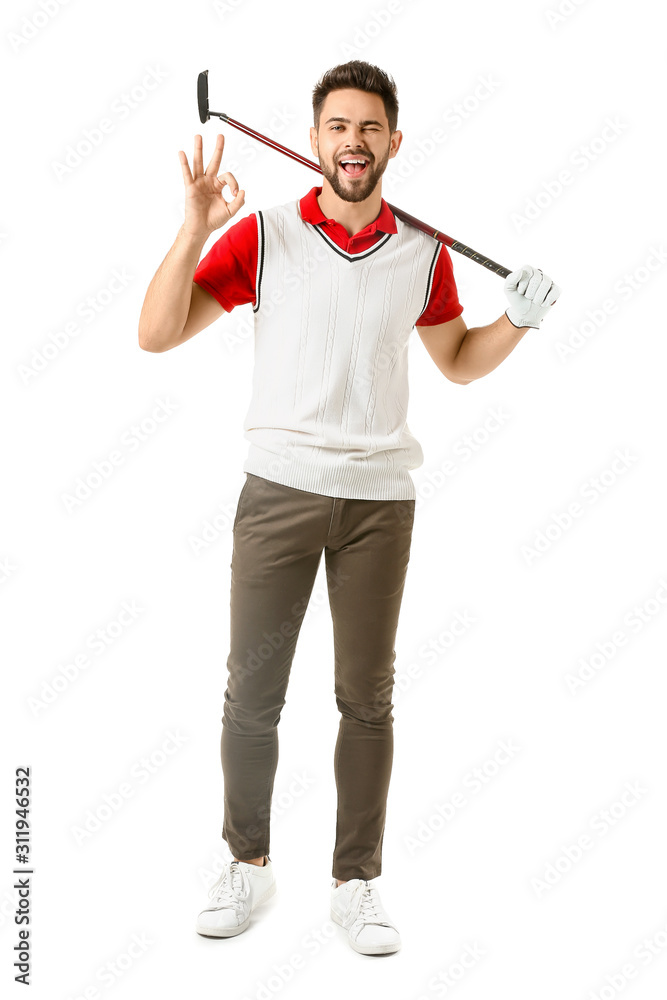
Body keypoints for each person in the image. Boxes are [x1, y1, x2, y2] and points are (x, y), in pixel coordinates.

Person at [138, 59, 561, 956]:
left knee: (366, 699)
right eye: (338, 126)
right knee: (251, 694)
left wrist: (514, 323)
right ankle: (245, 862)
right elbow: (157, 333)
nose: (353, 143)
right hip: (278, 493)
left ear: (392, 143)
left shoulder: (421, 249)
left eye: (370, 128)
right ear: (315, 138)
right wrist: (192, 229)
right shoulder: (265, 237)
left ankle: (355, 881)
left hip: (378, 506)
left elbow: (456, 359)